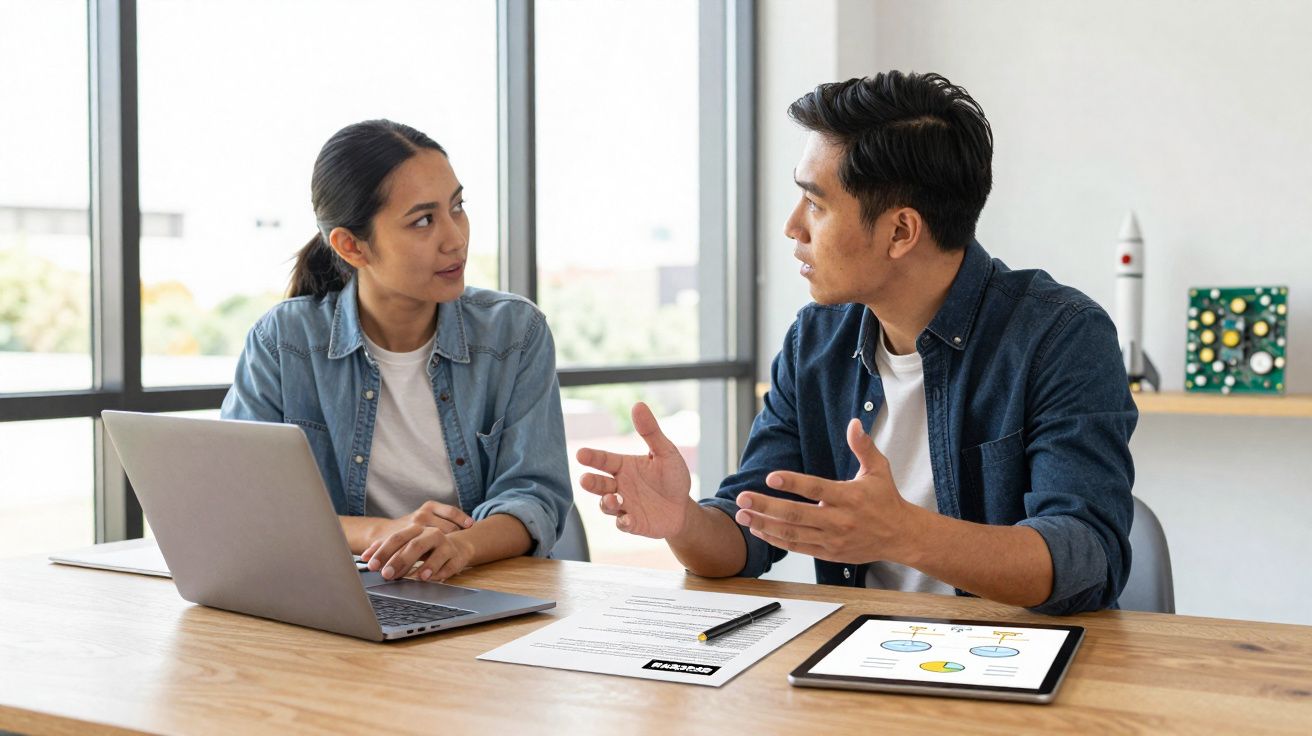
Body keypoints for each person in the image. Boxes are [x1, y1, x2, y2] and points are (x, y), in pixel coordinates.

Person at [577, 71, 1137, 615]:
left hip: (1019, 670)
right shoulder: (816, 341)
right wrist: (683, 520)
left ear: (900, 231)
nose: (793, 226)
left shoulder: (1062, 336)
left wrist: (901, 532)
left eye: (816, 204)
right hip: (859, 663)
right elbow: (745, 537)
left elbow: (1084, 558)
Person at [222, 119, 571, 584]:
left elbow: (535, 497)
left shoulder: (515, 333)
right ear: (351, 246)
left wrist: (458, 546)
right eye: (423, 220)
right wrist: (384, 533)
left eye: (457, 207)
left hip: (481, 589)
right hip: (333, 593)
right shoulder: (284, 341)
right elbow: (248, 506)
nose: (456, 238)